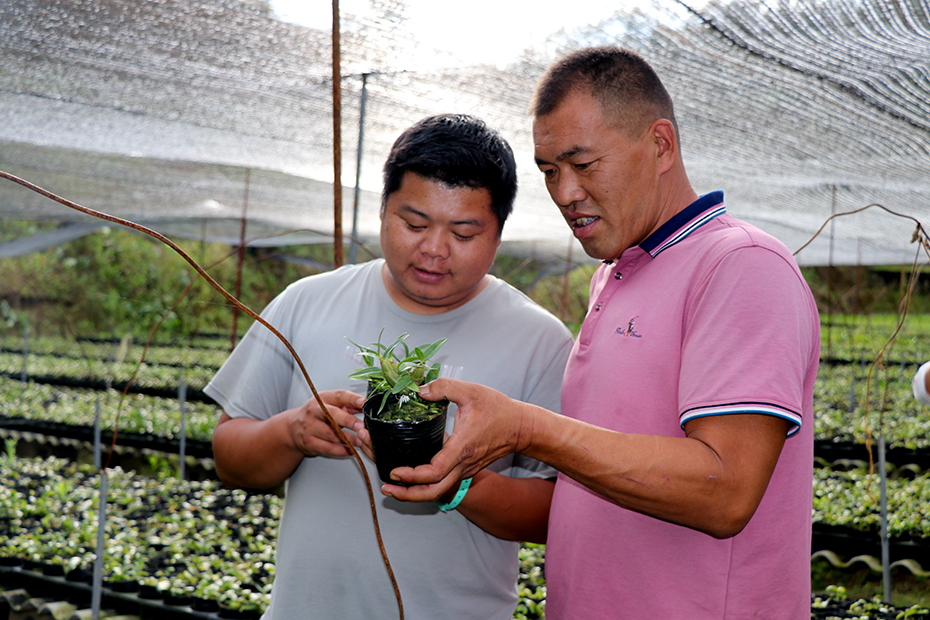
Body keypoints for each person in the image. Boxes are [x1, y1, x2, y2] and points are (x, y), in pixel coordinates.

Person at [383, 47, 821, 619]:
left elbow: (725, 490)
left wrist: (525, 428)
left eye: (583, 165)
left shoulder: (740, 264)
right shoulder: (614, 276)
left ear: (660, 145)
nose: (565, 193)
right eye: (549, 171)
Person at [205, 113, 574, 619]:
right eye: (414, 223)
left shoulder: (541, 341)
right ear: (382, 209)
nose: (434, 250)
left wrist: (459, 481)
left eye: (463, 233)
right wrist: (292, 432)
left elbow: (558, 513)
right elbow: (229, 457)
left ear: (497, 233)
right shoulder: (305, 303)